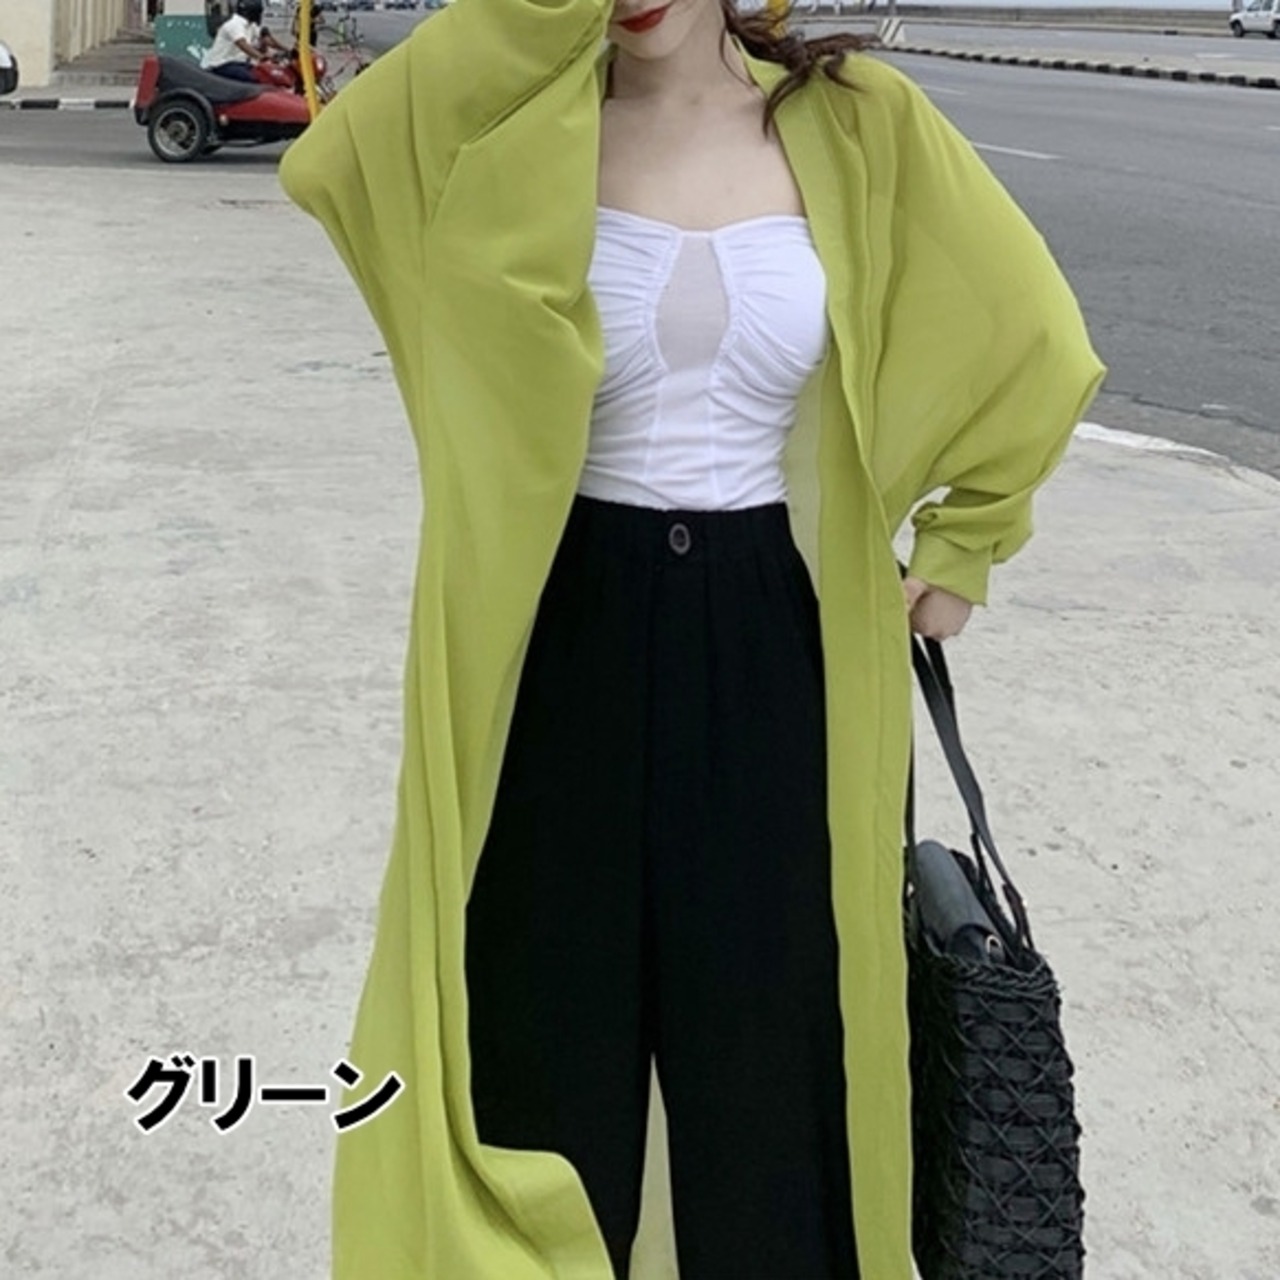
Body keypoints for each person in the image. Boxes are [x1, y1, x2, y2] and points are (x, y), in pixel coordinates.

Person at [278, 1, 1105, 1277]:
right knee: (542, 1057)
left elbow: (1033, 335)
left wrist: (962, 545)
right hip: (560, 641)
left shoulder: (854, 124)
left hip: (765, 641)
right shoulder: (512, 129)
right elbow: (340, 155)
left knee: (770, 1065)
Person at [200, 0, 286, 81]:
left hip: (238, 64)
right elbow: (242, 44)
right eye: (259, 12)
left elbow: (267, 39)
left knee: (263, 73)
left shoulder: (251, 25)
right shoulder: (234, 24)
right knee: (253, 78)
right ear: (253, 12)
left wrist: (286, 50)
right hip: (220, 65)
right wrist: (262, 57)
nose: (260, 15)